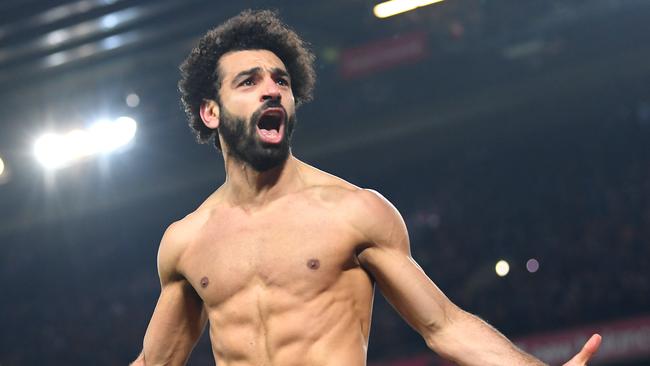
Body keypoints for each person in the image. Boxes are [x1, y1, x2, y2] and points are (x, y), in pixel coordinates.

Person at [132, 9, 601, 366]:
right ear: (211, 112)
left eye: (281, 80)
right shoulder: (187, 241)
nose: (272, 90)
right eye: (248, 82)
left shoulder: (353, 212)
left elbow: (444, 324)